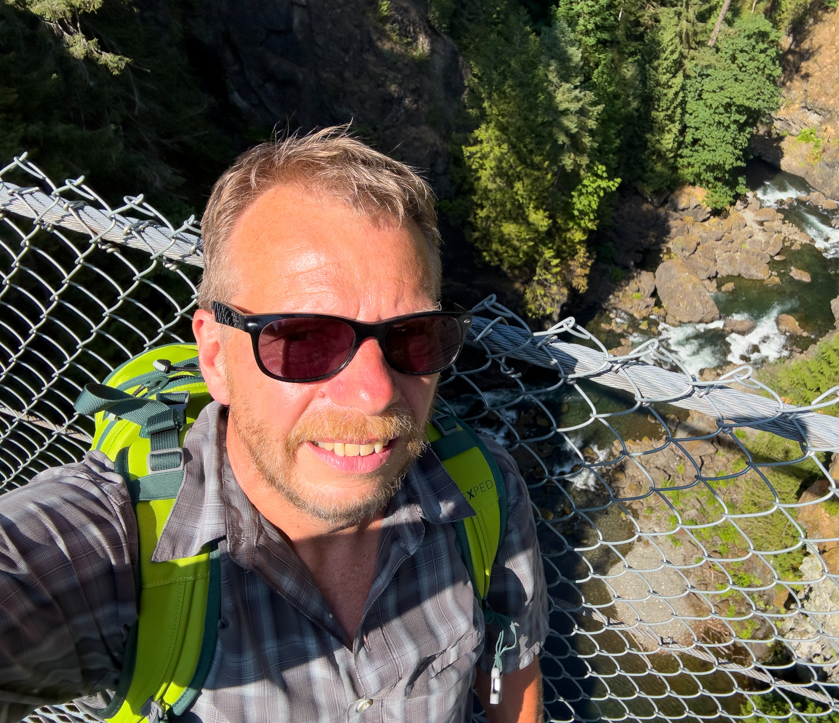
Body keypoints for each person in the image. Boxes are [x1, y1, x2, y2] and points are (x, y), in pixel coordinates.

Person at [0, 128, 548, 722]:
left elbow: (509, 670)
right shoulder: (119, 549)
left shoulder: (484, 490)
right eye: (305, 340)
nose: (374, 393)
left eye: (413, 336)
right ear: (215, 358)